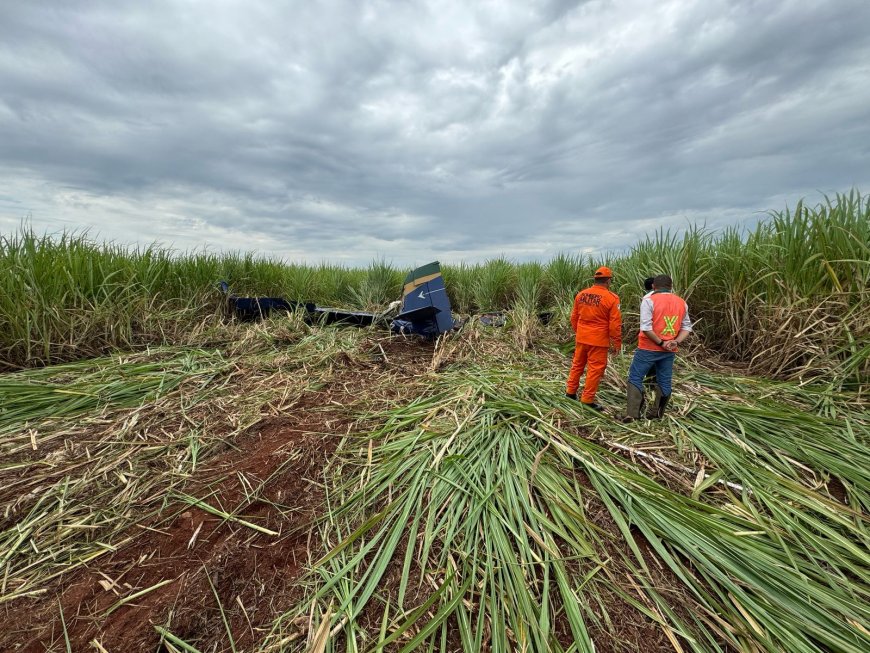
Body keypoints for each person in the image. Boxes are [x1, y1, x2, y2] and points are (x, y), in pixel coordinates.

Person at [623, 274, 692, 421]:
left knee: (635, 377)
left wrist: (661, 342)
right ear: (671, 286)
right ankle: (657, 414)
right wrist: (676, 342)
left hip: (648, 348)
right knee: (664, 380)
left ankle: (633, 415)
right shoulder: (681, 302)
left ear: (654, 286)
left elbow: (646, 328)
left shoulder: (649, 300)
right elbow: (687, 327)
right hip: (669, 350)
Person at [565, 266, 622, 411]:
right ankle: (587, 400)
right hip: (598, 340)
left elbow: (574, 317)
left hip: (582, 338)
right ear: (608, 281)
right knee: (595, 370)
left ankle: (570, 393)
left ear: (595, 279)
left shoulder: (581, 295)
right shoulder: (612, 298)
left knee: (577, 364)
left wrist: (580, 332)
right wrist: (616, 343)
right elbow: (615, 325)